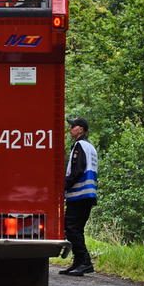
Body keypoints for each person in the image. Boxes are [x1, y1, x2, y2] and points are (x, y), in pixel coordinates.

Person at [60, 117, 98, 276]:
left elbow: (78, 169)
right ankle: (78, 263)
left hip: (80, 193)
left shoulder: (80, 145)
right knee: (76, 229)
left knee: (71, 227)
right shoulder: (90, 147)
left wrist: (65, 185)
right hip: (87, 194)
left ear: (80, 129)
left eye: (72, 126)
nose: (69, 129)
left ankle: (85, 262)